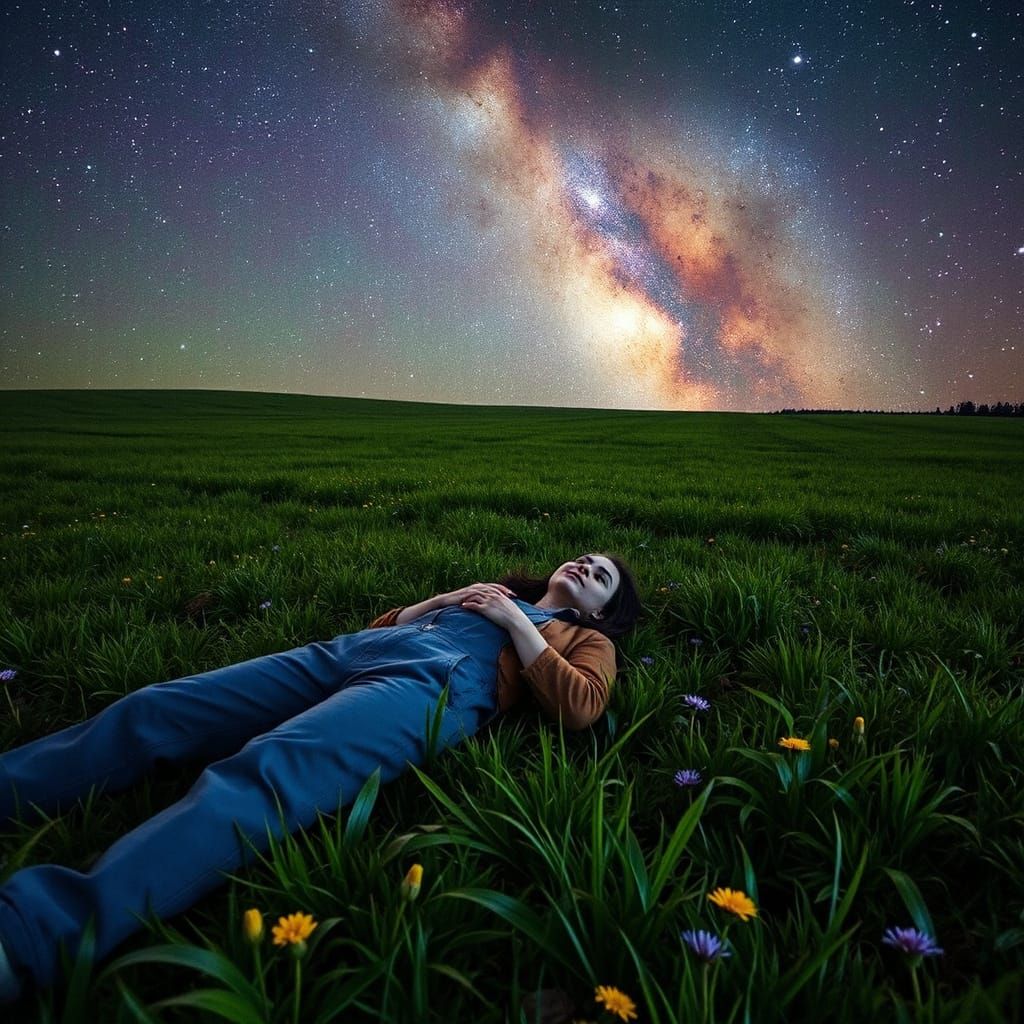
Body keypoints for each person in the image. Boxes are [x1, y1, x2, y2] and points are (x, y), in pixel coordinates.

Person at [0, 551, 641, 1002]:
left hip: (432, 684)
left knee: (265, 773)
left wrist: (512, 626)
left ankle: (34, 932)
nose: (585, 565)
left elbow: (581, 705)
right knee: (155, 709)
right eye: (583, 558)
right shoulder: (496, 593)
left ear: (607, 610)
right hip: (351, 653)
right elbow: (383, 627)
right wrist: (446, 599)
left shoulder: (583, 639)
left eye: (602, 574)